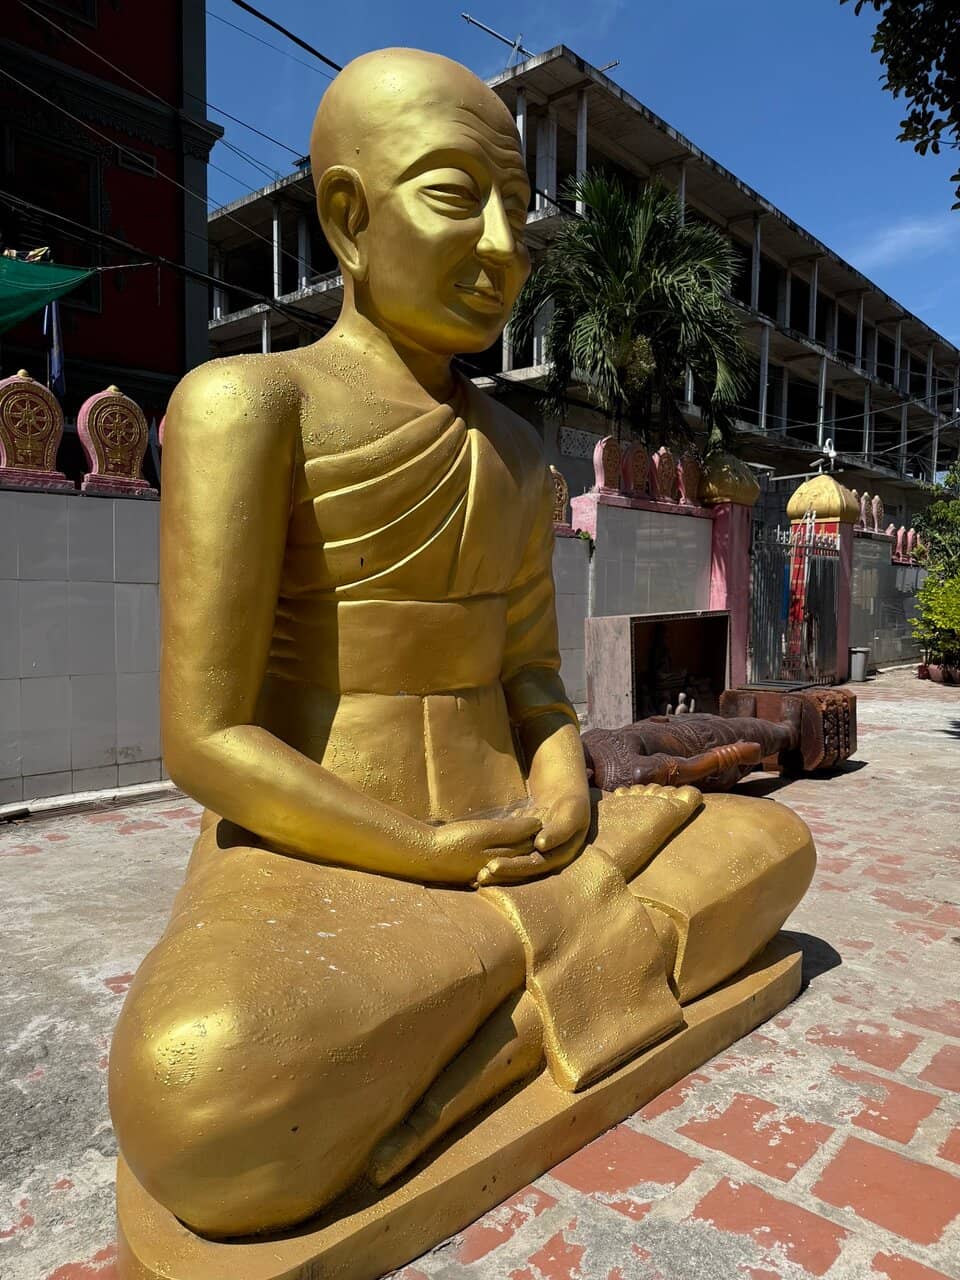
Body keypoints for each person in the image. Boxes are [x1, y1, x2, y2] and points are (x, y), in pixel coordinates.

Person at [109, 47, 815, 1240]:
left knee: (777, 844)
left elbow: (532, 676)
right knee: (198, 1089)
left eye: (516, 214)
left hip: (515, 834)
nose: (502, 247)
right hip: (320, 848)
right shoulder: (252, 405)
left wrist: (559, 779)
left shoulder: (518, 450)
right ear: (349, 217)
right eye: (455, 197)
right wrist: (424, 849)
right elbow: (208, 738)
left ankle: (495, 1031)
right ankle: (569, 967)